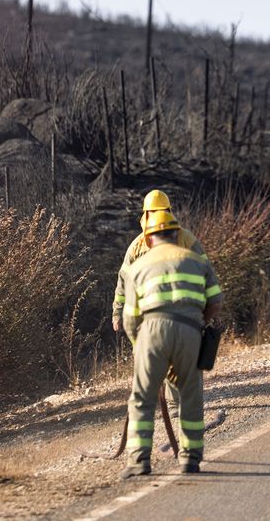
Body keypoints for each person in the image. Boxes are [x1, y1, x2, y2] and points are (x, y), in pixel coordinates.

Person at [115, 208, 223, 478]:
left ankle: (139, 462)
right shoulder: (195, 260)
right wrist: (200, 325)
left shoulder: (138, 266)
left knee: (142, 398)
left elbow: (130, 319)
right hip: (190, 331)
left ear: (149, 238)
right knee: (190, 395)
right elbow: (216, 300)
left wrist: (142, 348)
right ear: (176, 234)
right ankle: (190, 459)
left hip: (151, 331)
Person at [111, 190, 209, 436]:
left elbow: (204, 268)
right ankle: (172, 407)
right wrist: (117, 312)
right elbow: (123, 281)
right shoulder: (137, 247)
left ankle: (178, 408)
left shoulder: (185, 238)